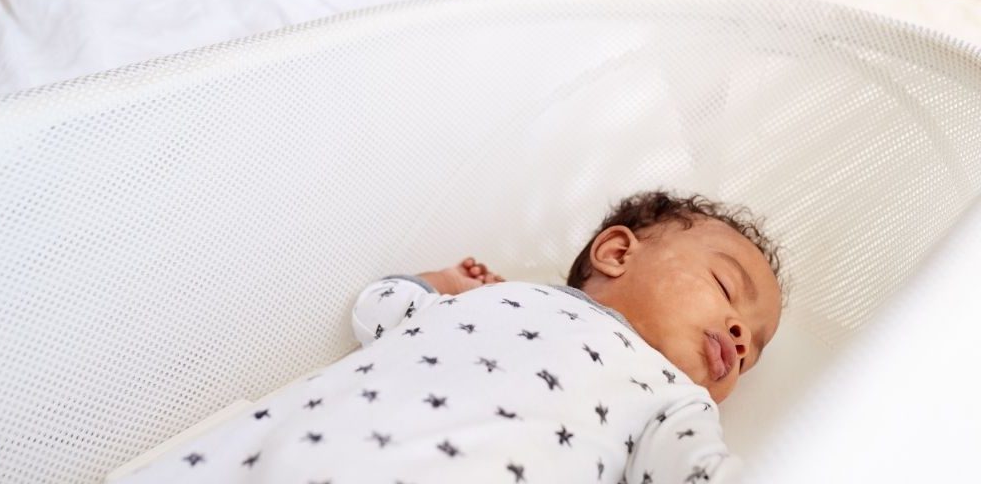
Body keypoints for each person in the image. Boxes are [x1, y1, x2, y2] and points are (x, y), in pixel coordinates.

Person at [120, 191, 784, 483]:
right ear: (615, 252)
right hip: (312, 440)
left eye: (753, 347)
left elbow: (697, 470)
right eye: (728, 290)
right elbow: (381, 309)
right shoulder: (504, 295)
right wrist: (439, 285)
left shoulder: (671, 397)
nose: (740, 338)